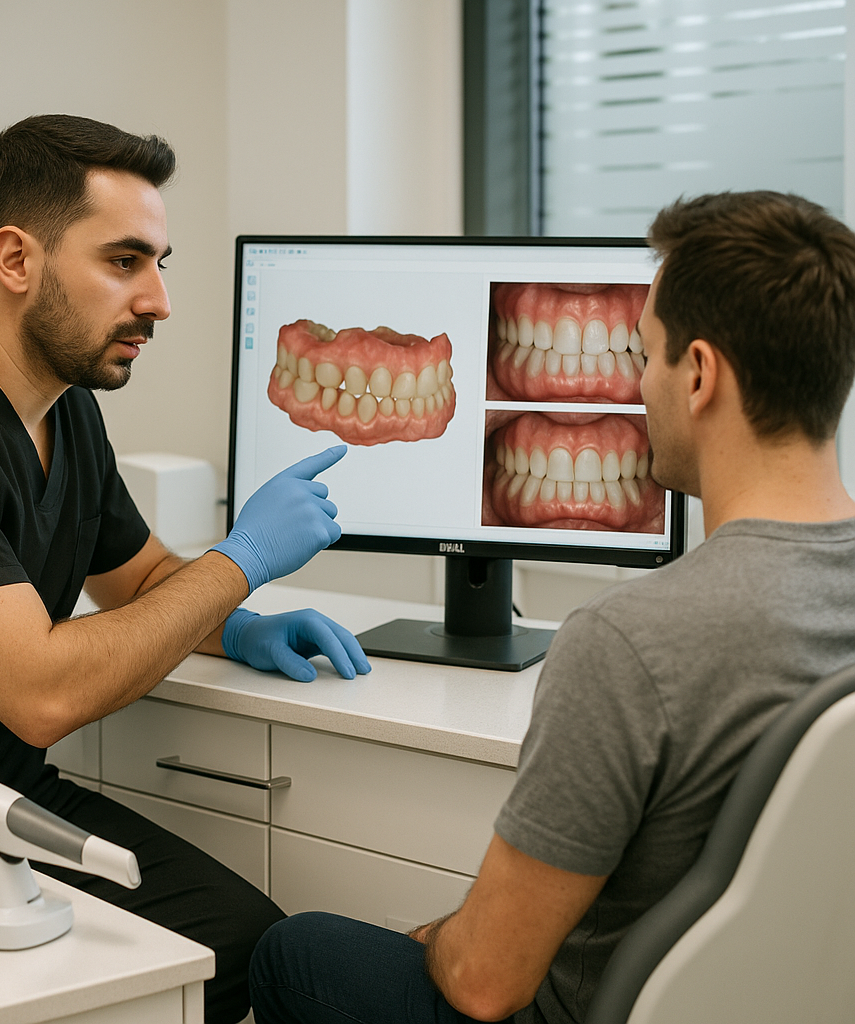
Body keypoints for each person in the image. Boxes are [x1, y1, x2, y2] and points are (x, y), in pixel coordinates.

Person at [248, 190, 855, 1024]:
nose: (639, 384)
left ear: (701, 375)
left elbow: (485, 984)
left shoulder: (630, 642)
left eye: (646, 355)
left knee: (295, 949)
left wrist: (449, 935)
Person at [0, 114, 370, 1024]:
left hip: (0, 803)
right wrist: (241, 560)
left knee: (246, 946)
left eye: (160, 264)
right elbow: (39, 691)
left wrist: (235, 624)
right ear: (16, 260)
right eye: (125, 263)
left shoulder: (65, 411)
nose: (158, 301)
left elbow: (143, 577)